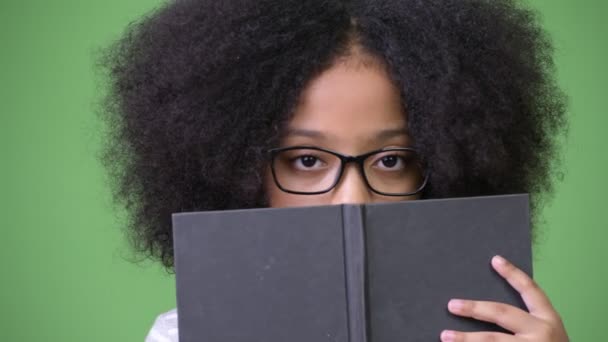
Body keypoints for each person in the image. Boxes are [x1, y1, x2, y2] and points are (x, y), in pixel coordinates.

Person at [99, 0, 569, 341]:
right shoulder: (184, 336)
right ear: (237, 171)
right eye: (306, 160)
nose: (351, 199)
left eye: (391, 161)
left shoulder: (493, 332)